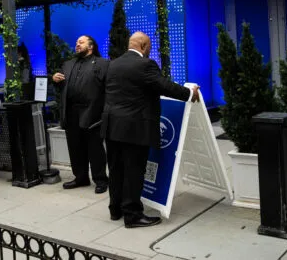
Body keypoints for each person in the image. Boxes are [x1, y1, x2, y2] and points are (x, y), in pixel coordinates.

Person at [101, 32, 199, 228]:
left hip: (112, 126)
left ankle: (115, 209)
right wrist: (189, 93)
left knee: (116, 169)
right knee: (134, 171)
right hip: (134, 128)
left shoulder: (112, 64)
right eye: (150, 47)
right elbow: (164, 86)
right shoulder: (145, 64)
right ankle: (133, 215)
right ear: (144, 46)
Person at [52, 35, 109, 194]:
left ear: (90, 46)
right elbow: (62, 86)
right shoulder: (68, 64)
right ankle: (81, 177)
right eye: (76, 42)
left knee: (95, 148)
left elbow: (108, 88)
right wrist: (55, 79)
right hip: (71, 112)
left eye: (81, 42)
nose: (77, 44)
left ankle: (100, 180)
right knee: (75, 147)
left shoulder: (102, 64)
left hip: (92, 112)